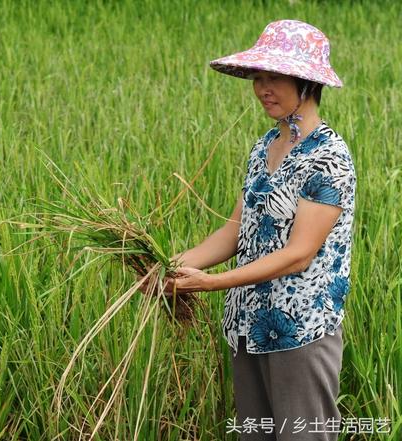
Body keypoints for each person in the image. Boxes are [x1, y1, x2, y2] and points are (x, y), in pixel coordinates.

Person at [142, 20, 356, 441]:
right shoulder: (265, 147)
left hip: (300, 329)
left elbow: (300, 253)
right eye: (258, 77)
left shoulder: (330, 156)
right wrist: (169, 267)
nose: (263, 88)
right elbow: (236, 230)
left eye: (274, 77)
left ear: (307, 82)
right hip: (248, 324)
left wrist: (211, 283)